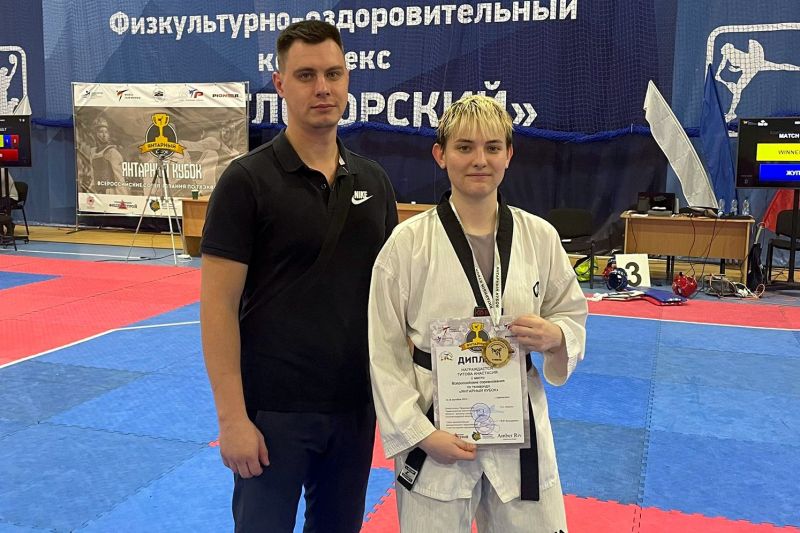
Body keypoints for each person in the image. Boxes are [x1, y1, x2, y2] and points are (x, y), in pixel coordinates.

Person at [200, 20, 397, 533]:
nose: (322, 88)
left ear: (348, 78)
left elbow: (394, 302)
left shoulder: (374, 181)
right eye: (306, 75)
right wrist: (232, 419)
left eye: (333, 73)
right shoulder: (246, 182)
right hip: (271, 413)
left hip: (353, 409)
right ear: (280, 84)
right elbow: (217, 308)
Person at [368, 95, 587, 532]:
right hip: (437, 425)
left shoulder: (539, 236)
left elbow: (570, 311)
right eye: (464, 147)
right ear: (441, 154)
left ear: (509, 154)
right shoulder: (407, 244)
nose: (479, 160)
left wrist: (556, 336)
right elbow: (384, 349)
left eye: (492, 147)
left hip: (518, 425)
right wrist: (419, 432)